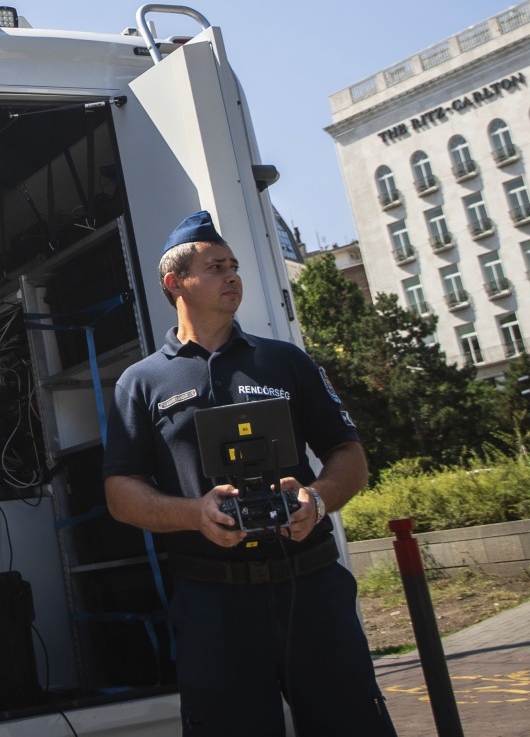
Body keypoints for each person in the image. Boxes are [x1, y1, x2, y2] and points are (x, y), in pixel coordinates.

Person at [103, 211, 396, 736]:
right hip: (213, 605)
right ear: (176, 284)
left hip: (312, 590)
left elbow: (349, 453)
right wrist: (195, 513)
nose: (232, 275)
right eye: (216, 267)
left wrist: (317, 499)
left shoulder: (285, 362)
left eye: (235, 265)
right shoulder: (141, 382)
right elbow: (121, 493)